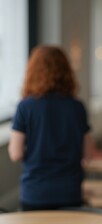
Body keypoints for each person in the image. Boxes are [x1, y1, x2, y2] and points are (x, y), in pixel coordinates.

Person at [8, 45, 92, 211]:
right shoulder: (77, 107)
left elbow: (16, 153)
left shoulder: (25, 107)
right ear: (66, 72)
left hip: (34, 193)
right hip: (70, 192)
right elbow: (87, 154)